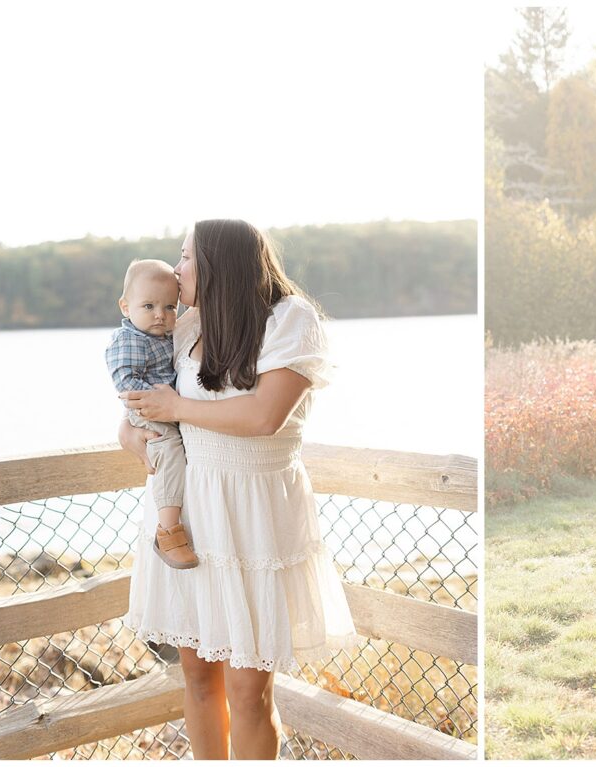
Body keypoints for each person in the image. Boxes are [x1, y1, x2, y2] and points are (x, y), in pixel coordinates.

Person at [118, 219, 359, 759]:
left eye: (185, 258)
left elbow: (265, 415)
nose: (176, 270)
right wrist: (133, 431)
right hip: (191, 511)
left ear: (217, 263)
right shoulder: (185, 326)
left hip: (254, 514)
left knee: (249, 690)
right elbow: (140, 402)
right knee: (199, 679)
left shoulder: (290, 319)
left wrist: (175, 408)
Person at [106, 259, 197, 569]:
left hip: (166, 406)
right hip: (147, 409)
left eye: (170, 307)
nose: (160, 314)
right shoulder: (129, 339)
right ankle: (168, 531)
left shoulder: (166, 335)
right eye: (149, 305)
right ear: (125, 307)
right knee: (168, 449)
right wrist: (165, 405)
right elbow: (126, 383)